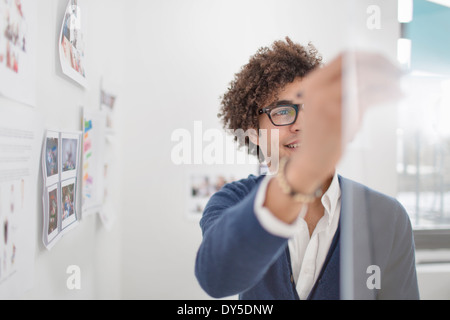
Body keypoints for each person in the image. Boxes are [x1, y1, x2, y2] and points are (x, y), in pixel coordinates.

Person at [195, 37, 419, 300]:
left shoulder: (387, 216)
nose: (301, 124)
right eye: (281, 111)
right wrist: (303, 173)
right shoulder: (231, 201)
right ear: (253, 132)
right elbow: (217, 279)